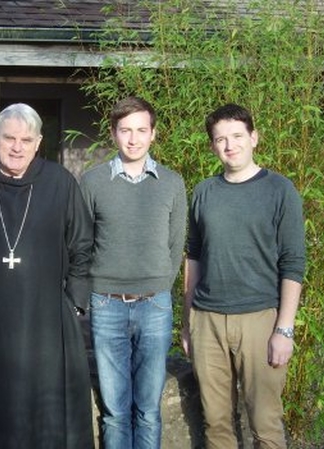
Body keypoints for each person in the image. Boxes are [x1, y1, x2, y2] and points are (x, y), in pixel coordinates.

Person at [0, 103, 94, 449]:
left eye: (26, 139)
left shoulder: (61, 183)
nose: (17, 147)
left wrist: (74, 305)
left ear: (39, 142)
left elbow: (82, 246)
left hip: (47, 321)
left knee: (48, 414)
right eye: (9, 138)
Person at [182, 104, 306, 448]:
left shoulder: (280, 190)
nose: (229, 145)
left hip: (260, 320)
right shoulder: (204, 192)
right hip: (208, 320)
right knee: (216, 424)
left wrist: (284, 328)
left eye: (237, 136)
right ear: (212, 146)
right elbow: (194, 257)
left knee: (265, 424)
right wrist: (187, 323)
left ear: (254, 137)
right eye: (220, 139)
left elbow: (293, 262)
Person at [80, 96, 187, 448]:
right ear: (113, 134)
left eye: (142, 130)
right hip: (107, 304)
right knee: (115, 411)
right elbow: (83, 241)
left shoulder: (172, 183)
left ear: (153, 134)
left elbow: (176, 245)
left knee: (149, 410)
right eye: (125, 130)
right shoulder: (92, 182)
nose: (133, 138)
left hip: (155, 305)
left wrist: (158, 284)